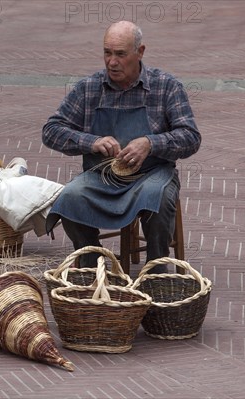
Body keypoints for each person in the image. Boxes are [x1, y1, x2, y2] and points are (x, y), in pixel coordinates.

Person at [42, 21, 201, 273]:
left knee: (157, 200)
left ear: (140, 52)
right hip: (100, 177)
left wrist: (151, 142)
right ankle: (92, 267)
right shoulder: (89, 89)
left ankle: (156, 274)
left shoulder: (166, 86)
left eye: (120, 54)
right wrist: (91, 141)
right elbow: (51, 131)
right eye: (107, 52)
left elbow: (191, 137)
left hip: (152, 175)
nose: (112, 62)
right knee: (69, 198)